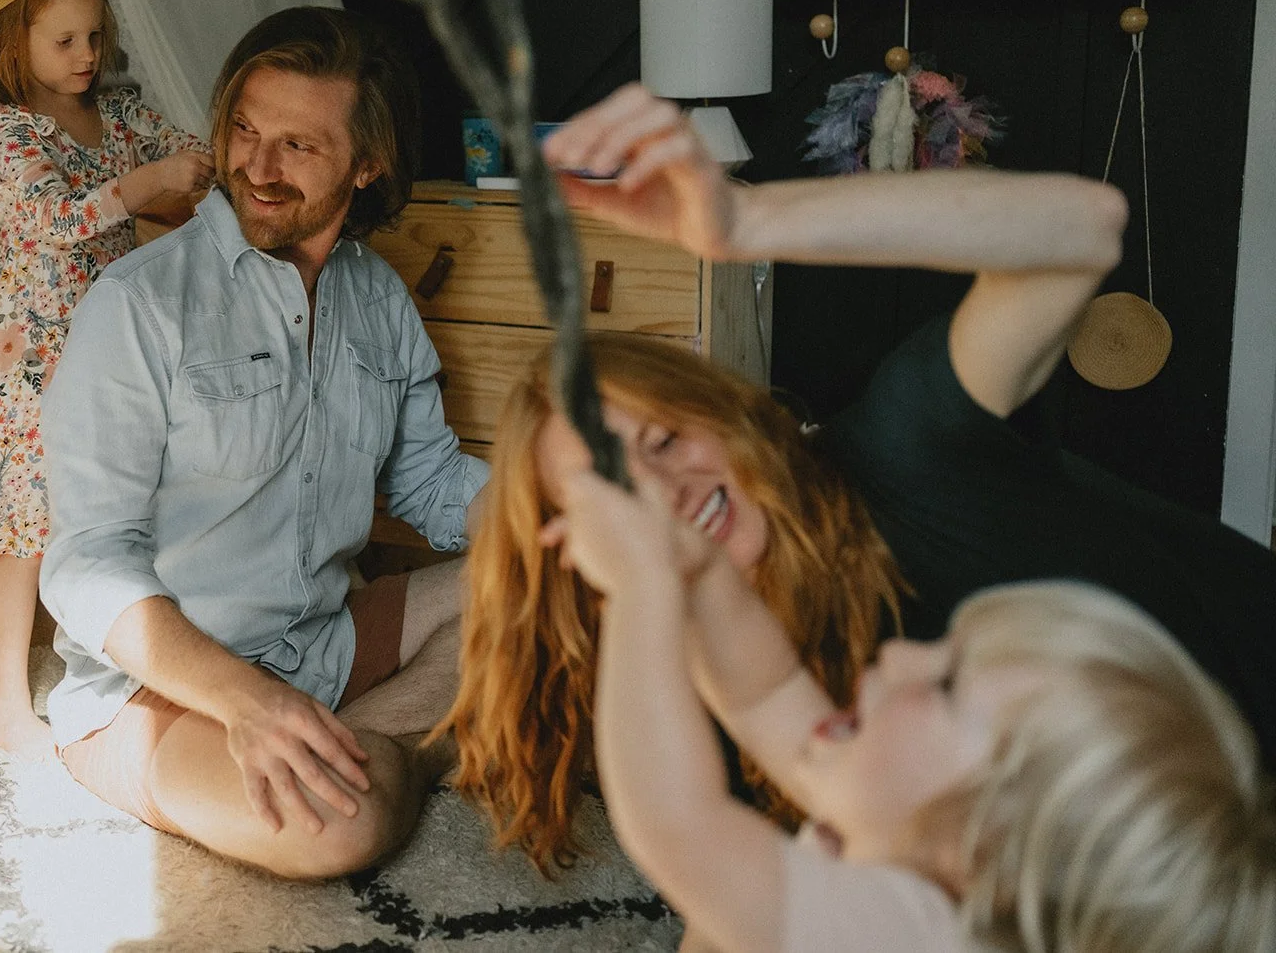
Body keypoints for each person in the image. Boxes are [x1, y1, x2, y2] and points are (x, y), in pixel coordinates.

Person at [439, 83, 1276, 873]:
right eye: (613, 489)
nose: (665, 487)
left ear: (727, 415)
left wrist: (744, 219)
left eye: (664, 437)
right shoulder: (703, 691)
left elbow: (1083, 231)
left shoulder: (905, 448)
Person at [37, 6, 488, 878]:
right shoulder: (138, 306)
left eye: (298, 145)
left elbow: (433, 482)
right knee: (334, 825)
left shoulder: (380, 301)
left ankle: (363, 742)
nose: (257, 166)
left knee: (565, 582)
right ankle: (424, 746)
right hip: (161, 694)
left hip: (320, 643)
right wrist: (243, 702)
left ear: (368, 165)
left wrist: (573, 521)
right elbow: (85, 563)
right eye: (245, 130)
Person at [547, 456, 1275, 952]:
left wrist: (642, 587)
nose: (900, 653)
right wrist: (698, 569)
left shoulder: (911, 936)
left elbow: (679, 825)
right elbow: (762, 689)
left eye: (946, 682)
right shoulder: (902, 830)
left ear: (980, 846)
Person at [0, 0, 214, 761]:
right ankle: (4, 702)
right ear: (13, 44)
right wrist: (143, 189)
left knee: (116, 514)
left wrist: (193, 172)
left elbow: (187, 157)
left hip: (108, 354)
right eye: (64, 39)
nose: (85, 53)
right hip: (34, 359)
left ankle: (130, 666)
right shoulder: (8, 137)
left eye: (95, 36)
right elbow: (58, 220)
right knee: (28, 534)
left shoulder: (119, 117)